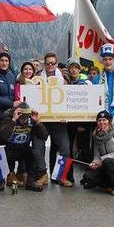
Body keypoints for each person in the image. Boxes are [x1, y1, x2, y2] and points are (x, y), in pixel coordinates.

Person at [38, 52, 74, 186]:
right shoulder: (37, 78)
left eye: (53, 63)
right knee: (38, 148)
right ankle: (41, 175)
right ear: (44, 64)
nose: (50, 65)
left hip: (58, 120)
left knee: (65, 148)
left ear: (57, 64)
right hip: (41, 120)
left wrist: (67, 115)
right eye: (48, 63)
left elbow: (69, 100)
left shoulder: (65, 79)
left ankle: (61, 175)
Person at [0, 102, 49, 191]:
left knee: (35, 153)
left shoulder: (30, 120)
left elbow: (44, 137)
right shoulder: (8, 117)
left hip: (23, 149)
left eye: (26, 117)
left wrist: (37, 122)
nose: (24, 120)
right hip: (9, 150)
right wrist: (14, 120)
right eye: (22, 117)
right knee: (1, 155)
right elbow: (4, 135)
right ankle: (5, 178)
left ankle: (30, 181)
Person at [82, 110, 114, 195]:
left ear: (109, 121)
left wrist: (102, 159)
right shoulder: (96, 135)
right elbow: (96, 155)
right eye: (99, 120)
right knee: (88, 176)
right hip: (106, 164)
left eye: (104, 120)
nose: (102, 122)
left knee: (108, 161)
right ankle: (108, 184)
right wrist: (95, 163)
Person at [66, 57, 94, 166]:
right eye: (71, 67)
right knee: (68, 150)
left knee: (85, 149)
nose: (73, 70)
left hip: (84, 123)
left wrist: (85, 125)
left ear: (79, 69)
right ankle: (67, 175)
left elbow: (91, 105)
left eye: (76, 68)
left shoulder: (87, 83)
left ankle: (89, 176)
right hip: (68, 122)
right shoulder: (65, 83)